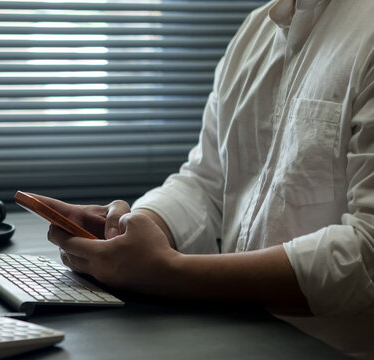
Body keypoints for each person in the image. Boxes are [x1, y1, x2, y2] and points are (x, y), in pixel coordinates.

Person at [36, 0, 374, 326]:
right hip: (237, 330)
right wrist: (131, 228)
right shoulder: (255, 31)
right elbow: (206, 181)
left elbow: (366, 253)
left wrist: (168, 272)